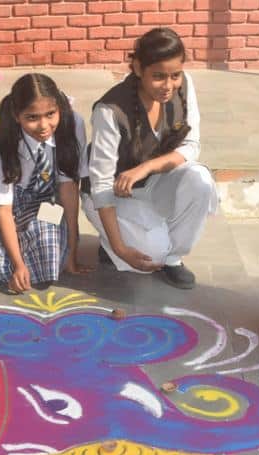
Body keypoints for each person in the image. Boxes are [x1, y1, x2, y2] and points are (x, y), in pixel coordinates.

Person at [82, 27, 217, 290]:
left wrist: (146, 167)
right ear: (137, 68)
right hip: (112, 194)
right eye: (158, 77)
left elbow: (191, 146)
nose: (168, 86)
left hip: (153, 182)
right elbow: (100, 185)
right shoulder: (110, 110)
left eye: (174, 75)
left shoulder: (184, 86)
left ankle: (172, 258)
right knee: (146, 257)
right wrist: (120, 248)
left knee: (200, 180)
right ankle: (110, 244)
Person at [0, 73, 89, 292]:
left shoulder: (72, 124)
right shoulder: (2, 140)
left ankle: (44, 250)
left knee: (53, 260)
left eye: (50, 114)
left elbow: (68, 188)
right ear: (16, 115)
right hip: (4, 204)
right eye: (32, 117)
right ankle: (16, 257)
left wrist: (72, 251)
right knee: (0, 263)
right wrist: (18, 265)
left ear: (59, 108)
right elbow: (3, 209)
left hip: (43, 201)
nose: (43, 126)